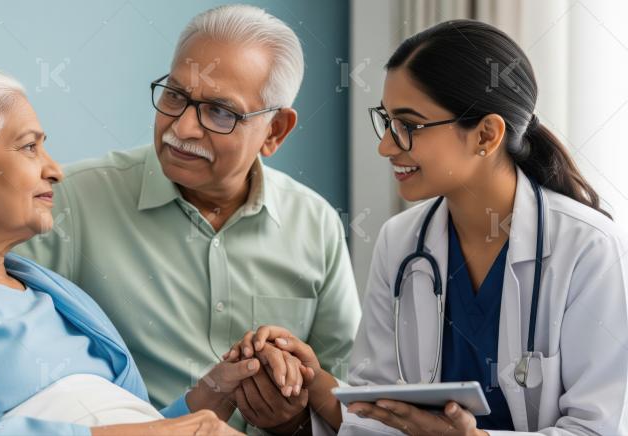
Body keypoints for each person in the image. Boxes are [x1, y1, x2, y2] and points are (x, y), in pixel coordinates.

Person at [0, 5, 361, 434]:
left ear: (274, 132)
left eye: (220, 112)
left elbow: (137, 421)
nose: (55, 171)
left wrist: (222, 391)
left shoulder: (48, 291)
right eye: (30, 146)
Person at [226, 19, 628, 435]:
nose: (385, 146)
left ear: (485, 135)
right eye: (387, 121)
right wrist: (313, 381)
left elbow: (598, 429)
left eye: (409, 126)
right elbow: (382, 416)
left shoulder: (590, 249)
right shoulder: (400, 241)